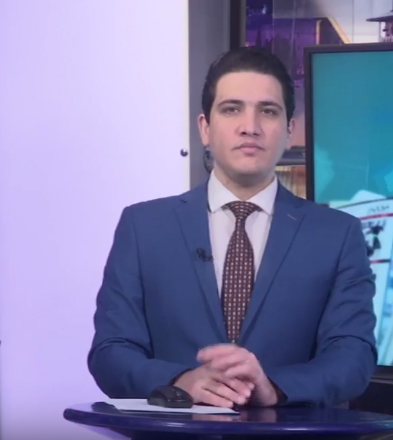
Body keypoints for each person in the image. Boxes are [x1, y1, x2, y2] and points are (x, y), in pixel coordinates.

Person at [88, 46, 377, 408]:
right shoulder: (143, 227)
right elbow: (111, 351)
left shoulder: (337, 234)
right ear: (205, 128)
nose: (250, 127)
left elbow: (353, 355)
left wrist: (274, 387)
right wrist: (180, 382)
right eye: (231, 109)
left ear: (289, 131)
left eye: (268, 111)